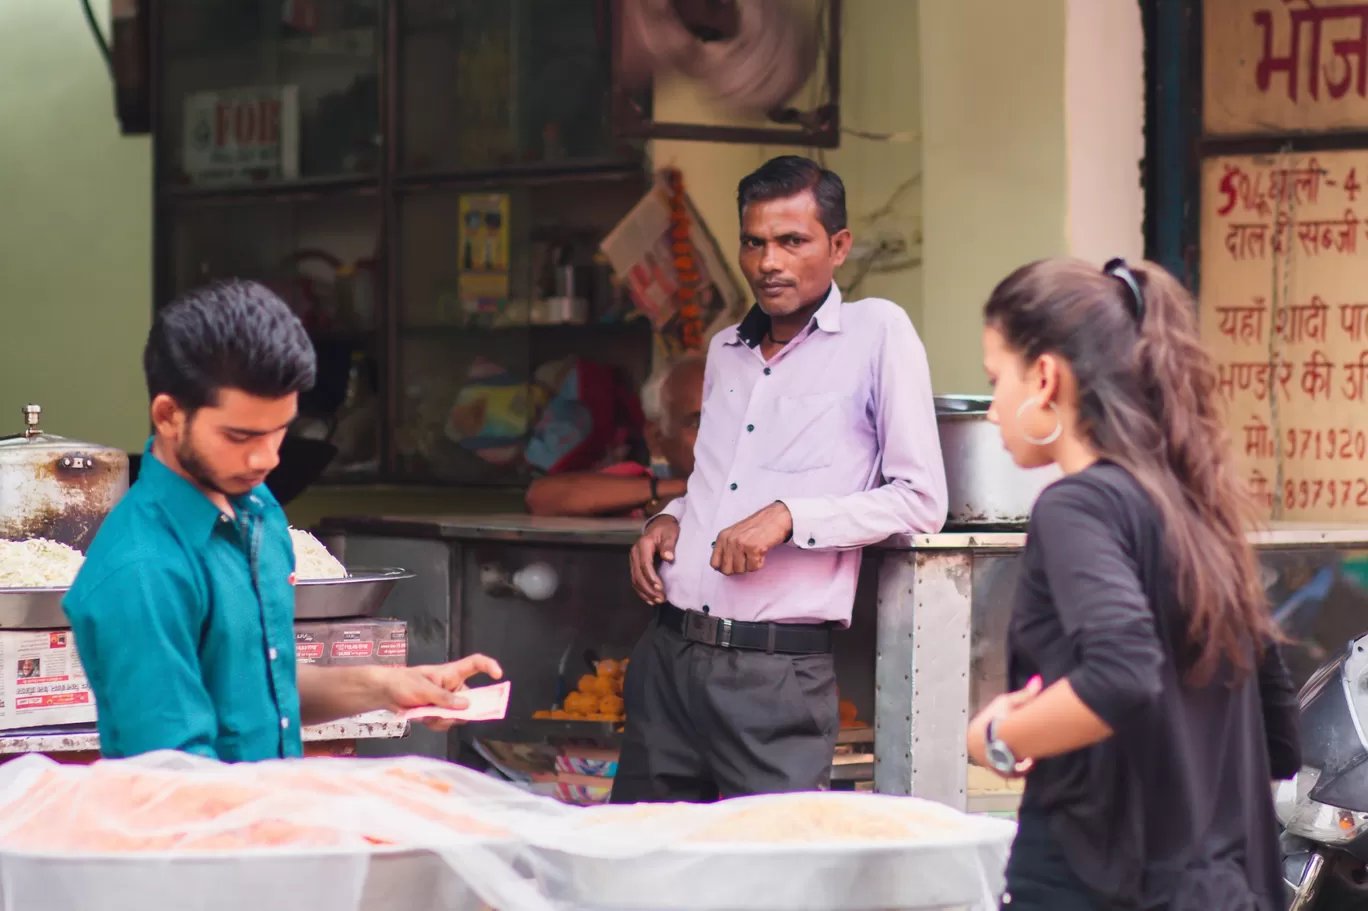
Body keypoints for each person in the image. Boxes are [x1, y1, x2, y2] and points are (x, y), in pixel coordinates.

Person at [964, 257, 1300, 909]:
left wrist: (997, 737)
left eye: (994, 379)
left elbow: (1123, 670)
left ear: (1043, 377)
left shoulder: (1075, 506)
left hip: (1095, 882)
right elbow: (1278, 735)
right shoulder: (1198, 508)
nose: (992, 408)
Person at [614, 155, 948, 803]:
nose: (770, 262)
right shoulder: (726, 352)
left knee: (770, 877)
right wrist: (669, 517)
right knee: (640, 870)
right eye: (755, 242)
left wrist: (790, 515)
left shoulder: (878, 333)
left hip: (773, 675)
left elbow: (921, 500)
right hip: (669, 656)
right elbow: (718, 486)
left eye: (793, 241)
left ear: (839, 246)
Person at [64, 280, 503, 762]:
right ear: (169, 416)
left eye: (279, 432)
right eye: (240, 436)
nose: (265, 458)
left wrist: (391, 684)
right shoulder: (141, 570)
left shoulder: (258, 512)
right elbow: (174, 781)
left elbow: (254, 689)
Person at [524, 354, 704, 518]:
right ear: (656, 438)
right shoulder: (640, 485)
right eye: (698, 423)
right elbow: (541, 497)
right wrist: (677, 488)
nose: (719, 435)